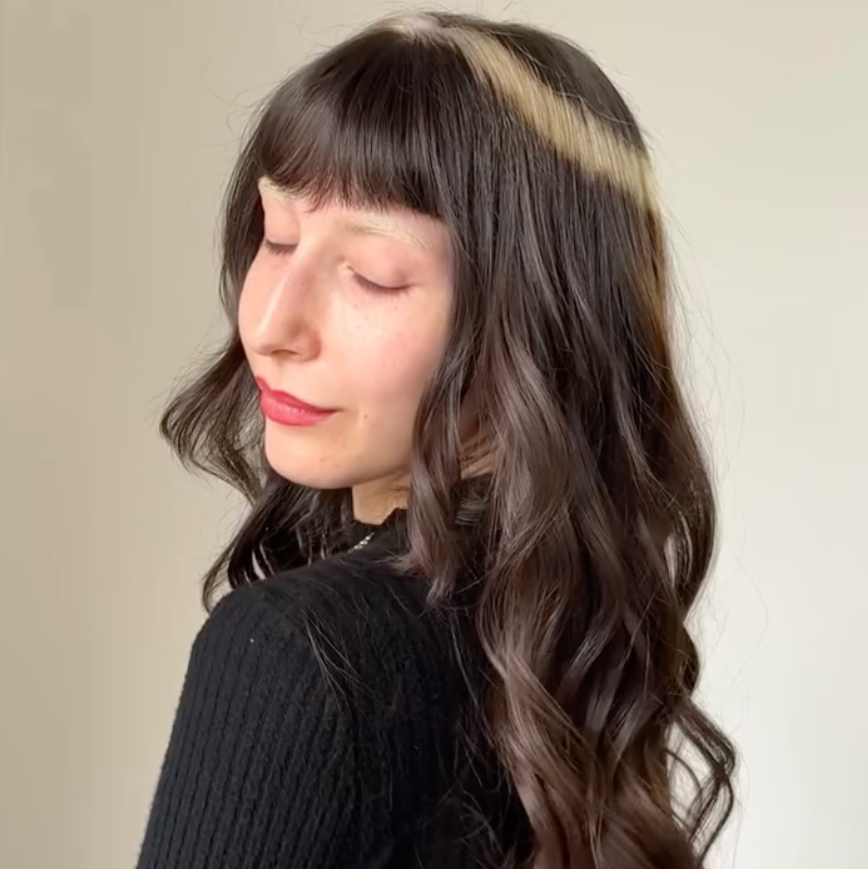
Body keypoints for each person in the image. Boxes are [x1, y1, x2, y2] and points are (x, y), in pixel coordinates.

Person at [135, 10, 736, 869]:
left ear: (534, 325)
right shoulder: (573, 643)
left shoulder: (298, 654)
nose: (269, 324)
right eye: (276, 237)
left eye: (372, 276)